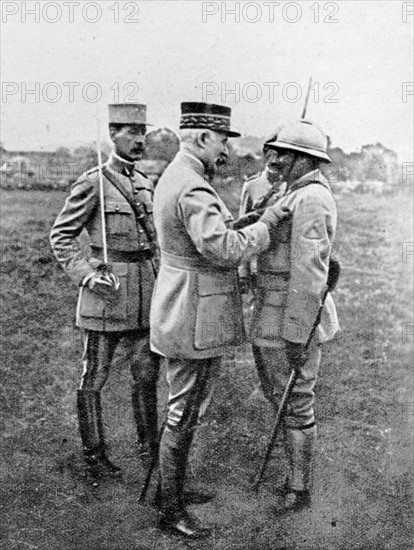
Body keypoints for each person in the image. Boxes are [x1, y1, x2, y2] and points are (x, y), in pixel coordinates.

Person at [150, 102, 291, 538]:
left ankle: (169, 491)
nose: (226, 148)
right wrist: (265, 222)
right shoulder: (192, 187)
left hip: (182, 304)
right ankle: (170, 508)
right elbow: (224, 250)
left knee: (184, 404)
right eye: (223, 139)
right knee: (184, 409)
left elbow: (205, 237)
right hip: (193, 312)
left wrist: (243, 220)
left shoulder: (177, 176)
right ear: (202, 138)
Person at [50, 103, 160, 485]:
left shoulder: (145, 183)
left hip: (145, 294)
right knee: (94, 376)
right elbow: (61, 236)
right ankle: (94, 456)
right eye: (131, 132)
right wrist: (86, 276)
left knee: (146, 376)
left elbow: (154, 241)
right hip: (107, 292)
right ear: (113, 134)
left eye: (143, 132)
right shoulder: (94, 181)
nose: (139, 139)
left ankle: (152, 455)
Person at [247, 119, 339, 511]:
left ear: (305, 159)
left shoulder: (312, 198)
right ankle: (292, 474)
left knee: (296, 400)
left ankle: (299, 489)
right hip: (269, 308)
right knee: (278, 397)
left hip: (291, 315)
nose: (276, 159)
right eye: (275, 151)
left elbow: (310, 272)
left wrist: (298, 333)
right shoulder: (289, 192)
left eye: (285, 153)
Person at [239, 130, 286, 293]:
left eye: (280, 153)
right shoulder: (252, 186)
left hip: (284, 261)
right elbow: (242, 228)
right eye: (271, 153)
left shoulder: (292, 185)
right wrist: (243, 272)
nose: (275, 158)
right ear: (265, 154)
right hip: (258, 261)